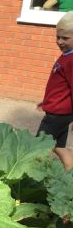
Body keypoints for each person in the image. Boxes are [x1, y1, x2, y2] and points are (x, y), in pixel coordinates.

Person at [37, 11, 73, 171]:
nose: (60, 41)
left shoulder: (71, 60)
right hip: (58, 111)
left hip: (57, 115)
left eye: (65, 38)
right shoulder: (66, 56)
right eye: (58, 37)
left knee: (38, 147)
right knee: (59, 147)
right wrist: (46, 101)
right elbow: (60, 87)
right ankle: (70, 175)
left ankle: (36, 178)